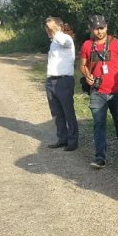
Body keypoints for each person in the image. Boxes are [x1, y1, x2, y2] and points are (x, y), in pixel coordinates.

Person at [79, 15, 118, 168]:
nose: (99, 31)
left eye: (102, 28)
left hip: (116, 91)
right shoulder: (87, 45)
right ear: (91, 29)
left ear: (106, 27)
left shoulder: (116, 44)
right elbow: (82, 65)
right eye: (96, 29)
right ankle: (100, 158)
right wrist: (87, 75)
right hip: (97, 92)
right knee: (99, 124)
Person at [44, 17, 78, 151]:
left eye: (50, 27)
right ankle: (62, 138)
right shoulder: (53, 43)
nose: (48, 30)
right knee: (57, 113)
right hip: (51, 80)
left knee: (68, 112)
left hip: (63, 80)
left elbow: (63, 41)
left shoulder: (66, 39)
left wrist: (55, 29)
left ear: (59, 27)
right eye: (47, 28)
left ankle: (73, 141)